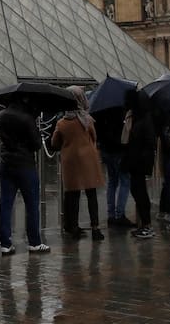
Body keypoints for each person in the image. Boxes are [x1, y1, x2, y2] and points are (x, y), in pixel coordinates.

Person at [50, 86, 105, 239]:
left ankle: (72, 226)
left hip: (71, 161)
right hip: (88, 160)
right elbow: (94, 137)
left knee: (72, 195)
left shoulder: (62, 122)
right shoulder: (87, 120)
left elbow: (54, 143)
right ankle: (95, 228)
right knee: (91, 194)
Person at [0, 97, 49, 253]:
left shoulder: (1, 116)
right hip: (25, 165)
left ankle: (5, 244)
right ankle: (34, 242)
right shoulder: (27, 119)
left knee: (5, 204)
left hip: (6, 163)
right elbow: (37, 144)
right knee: (32, 205)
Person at [120, 89, 157, 239]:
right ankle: (144, 224)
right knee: (137, 192)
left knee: (140, 192)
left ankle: (147, 225)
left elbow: (149, 142)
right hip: (136, 161)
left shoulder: (144, 120)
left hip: (140, 162)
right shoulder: (138, 118)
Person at [95, 102, 132, 228]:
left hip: (106, 149)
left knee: (112, 181)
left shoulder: (101, 108)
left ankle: (111, 215)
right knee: (125, 181)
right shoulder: (121, 109)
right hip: (119, 150)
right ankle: (119, 214)